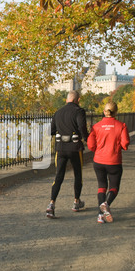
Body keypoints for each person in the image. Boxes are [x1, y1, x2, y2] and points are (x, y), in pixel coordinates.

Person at [47, 90, 89, 218]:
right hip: (75, 148)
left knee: (58, 176)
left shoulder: (58, 112)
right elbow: (82, 128)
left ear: (66, 100)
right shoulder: (79, 111)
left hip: (60, 149)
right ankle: (76, 202)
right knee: (78, 175)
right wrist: (87, 139)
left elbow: (51, 131)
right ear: (78, 100)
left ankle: (51, 204)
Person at [87, 102, 130, 224]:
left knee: (101, 186)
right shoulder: (121, 125)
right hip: (114, 160)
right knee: (114, 187)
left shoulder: (96, 126)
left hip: (99, 160)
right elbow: (125, 143)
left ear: (104, 111)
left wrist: (98, 150)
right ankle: (106, 204)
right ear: (116, 112)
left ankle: (100, 216)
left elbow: (90, 144)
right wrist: (120, 146)